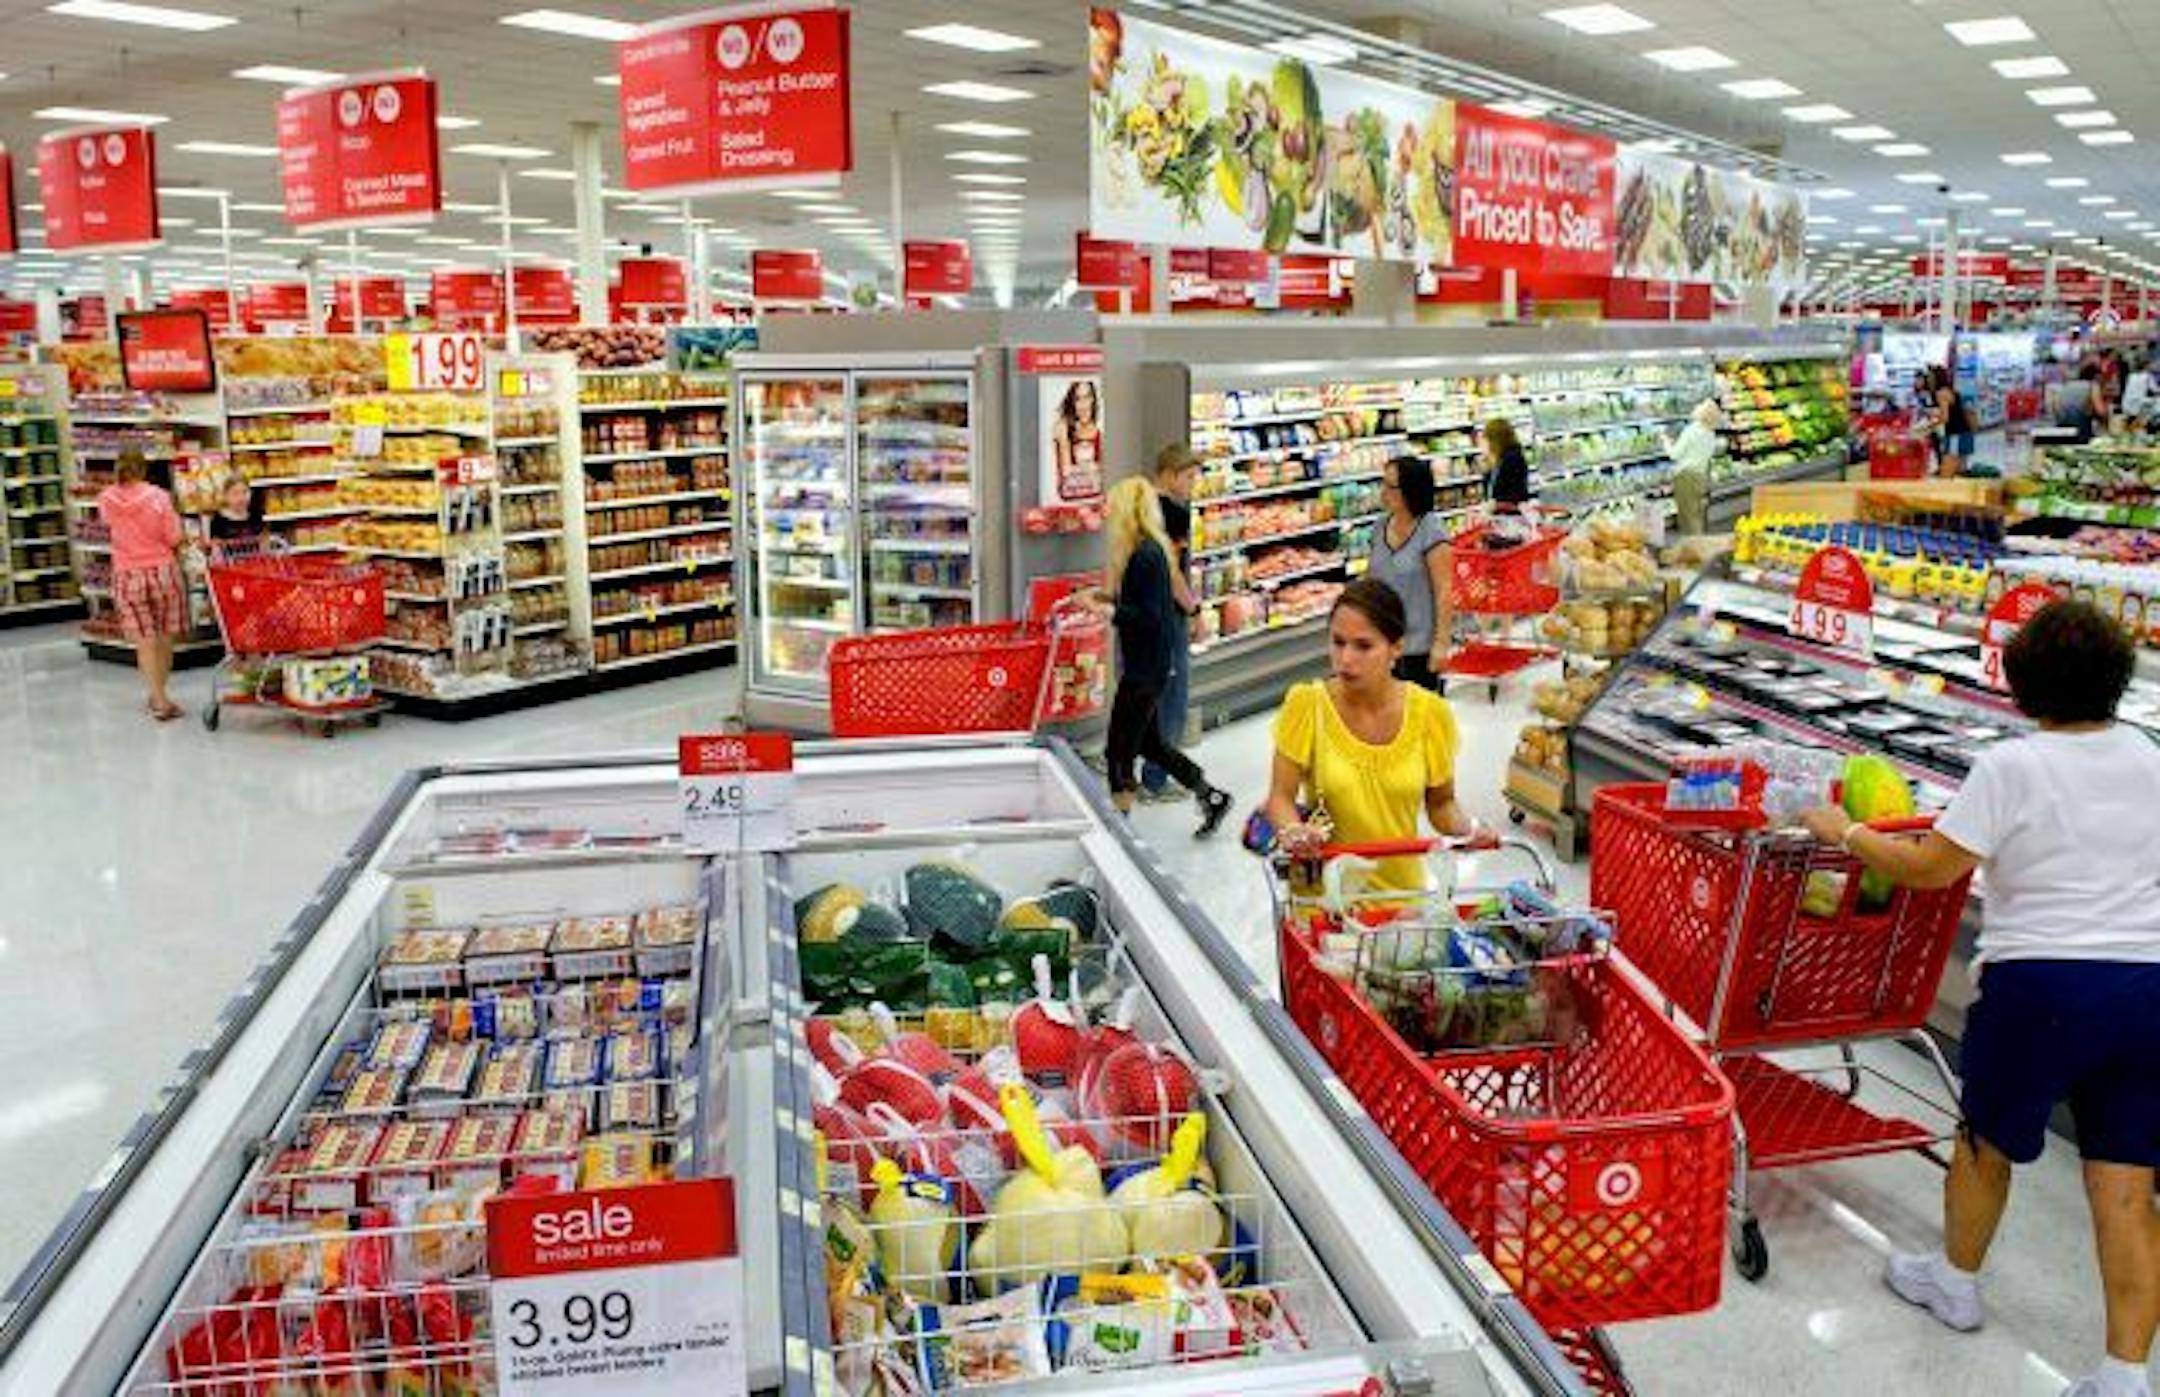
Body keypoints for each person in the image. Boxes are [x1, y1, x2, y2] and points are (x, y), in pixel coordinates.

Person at [1798, 600, 2159, 1397]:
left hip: (2041, 983)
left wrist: (1844, 832)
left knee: (1984, 1144)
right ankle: (2124, 1376)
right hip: (2144, 987)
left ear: (2022, 685)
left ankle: (1955, 1282)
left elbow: (1931, 868)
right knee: (2127, 1180)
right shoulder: (2148, 754)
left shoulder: (2011, 766)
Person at [1264, 578, 1481, 889]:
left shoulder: (1430, 716)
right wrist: (1293, 831)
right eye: (1338, 642)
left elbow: (1441, 804)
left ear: (1396, 647)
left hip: (1401, 900)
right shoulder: (1308, 706)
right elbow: (1279, 798)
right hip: (1324, 905)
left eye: (1363, 646)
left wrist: (1469, 828)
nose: (1346, 659)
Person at [1101, 475, 1232, 834]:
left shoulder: (1145, 555)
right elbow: (1140, 605)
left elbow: (1148, 617)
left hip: (1144, 668)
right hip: (1151, 663)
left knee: (1119, 750)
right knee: (1150, 743)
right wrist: (1097, 600)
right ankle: (1211, 795)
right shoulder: (1147, 551)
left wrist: (1109, 612)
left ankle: (1121, 833)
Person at [97, 450, 188, 722]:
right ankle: (161, 694)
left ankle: (157, 697)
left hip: (127, 573)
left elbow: (108, 527)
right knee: (164, 637)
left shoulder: (105, 499)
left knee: (144, 642)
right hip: (162, 571)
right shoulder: (159, 497)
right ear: (144, 469)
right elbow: (173, 536)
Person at [1139, 443, 1201, 803]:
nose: (1193, 485)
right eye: (1190, 477)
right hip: (1166, 615)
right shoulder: (1172, 515)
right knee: (1172, 699)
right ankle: (1156, 779)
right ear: (1172, 473)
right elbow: (1173, 573)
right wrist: (1192, 610)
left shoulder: (1139, 506)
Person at [1364, 454, 1454, 692]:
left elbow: (1444, 591)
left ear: (1411, 490)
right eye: (1382, 484)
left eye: (1391, 487)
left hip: (1419, 648)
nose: (1383, 492)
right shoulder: (1379, 527)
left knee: (1420, 721)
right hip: (1383, 646)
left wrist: (1442, 644)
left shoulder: (1431, 530)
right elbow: (1372, 582)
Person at [1664, 399, 1723, 537]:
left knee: (1687, 518)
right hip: (1701, 476)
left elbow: (1675, 455)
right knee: (1698, 515)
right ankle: (1700, 546)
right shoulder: (1710, 433)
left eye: (1700, 405)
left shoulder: (1692, 430)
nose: (1696, 406)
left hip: (1686, 476)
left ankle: (1692, 550)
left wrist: (1666, 442)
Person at [1052, 379, 1104, 504]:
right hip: (1069, 503)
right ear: (1072, 403)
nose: (1083, 405)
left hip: (1095, 502)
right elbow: (1066, 472)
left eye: (1087, 397)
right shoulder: (1062, 428)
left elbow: (1104, 474)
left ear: (1093, 400)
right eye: (1078, 399)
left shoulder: (1099, 431)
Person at [1481, 416, 1533, 513]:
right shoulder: (1497, 458)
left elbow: (1514, 493)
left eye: (1486, 438)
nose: (1484, 442)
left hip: (1511, 517)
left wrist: (1495, 504)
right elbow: (1489, 491)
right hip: (1500, 516)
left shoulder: (1513, 459)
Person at [1935, 366, 1976, 478]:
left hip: (1955, 434)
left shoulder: (1941, 393)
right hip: (1965, 432)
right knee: (1961, 470)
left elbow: (1945, 417)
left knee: (1946, 473)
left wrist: (1930, 424)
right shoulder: (1953, 391)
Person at [2051, 363, 2104, 444]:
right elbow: (2101, 411)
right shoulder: (2093, 385)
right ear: (2097, 377)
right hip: (2080, 428)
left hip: (2062, 427)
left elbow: (2055, 404)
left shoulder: (2068, 385)